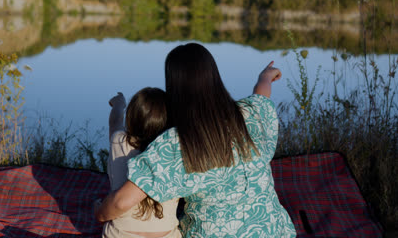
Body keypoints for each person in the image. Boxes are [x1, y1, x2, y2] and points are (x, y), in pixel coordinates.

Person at [96, 43, 296, 237]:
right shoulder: (250, 114)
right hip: (274, 230)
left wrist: (99, 213)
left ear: (174, 88)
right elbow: (261, 96)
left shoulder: (178, 143)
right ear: (213, 76)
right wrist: (265, 77)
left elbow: (121, 202)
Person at [102, 88, 181, 238]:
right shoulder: (175, 150)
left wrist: (119, 105)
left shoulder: (120, 141)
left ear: (132, 118)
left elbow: (115, 122)